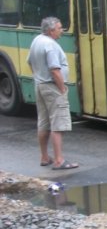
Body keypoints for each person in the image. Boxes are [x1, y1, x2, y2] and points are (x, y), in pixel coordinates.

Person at [26, 17, 79, 170]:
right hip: (52, 87)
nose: (62, 30)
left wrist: (38, 77)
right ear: (51, 30)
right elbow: (55, 70)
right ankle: (59, 160)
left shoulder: (37, 40)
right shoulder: (50, 46)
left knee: (43, 122)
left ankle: (44, 157)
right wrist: (62, 88)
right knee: (58, 123)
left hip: (40, 85)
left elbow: (29, 62)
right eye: (59, 28)